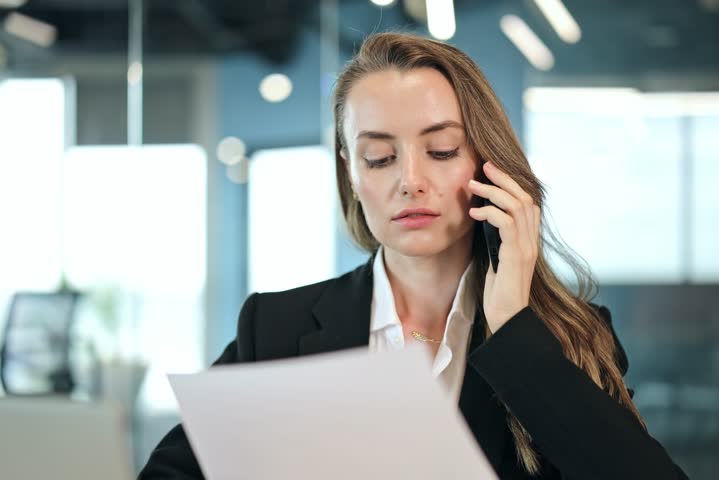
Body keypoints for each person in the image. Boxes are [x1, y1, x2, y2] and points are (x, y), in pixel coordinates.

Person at [140, 32, 689, 479]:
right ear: (350, 173)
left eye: (442, 150)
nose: (410, 181)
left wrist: (514, 328)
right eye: (378, 157)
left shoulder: (570, 335)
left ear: (486, 162)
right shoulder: (275, 329)